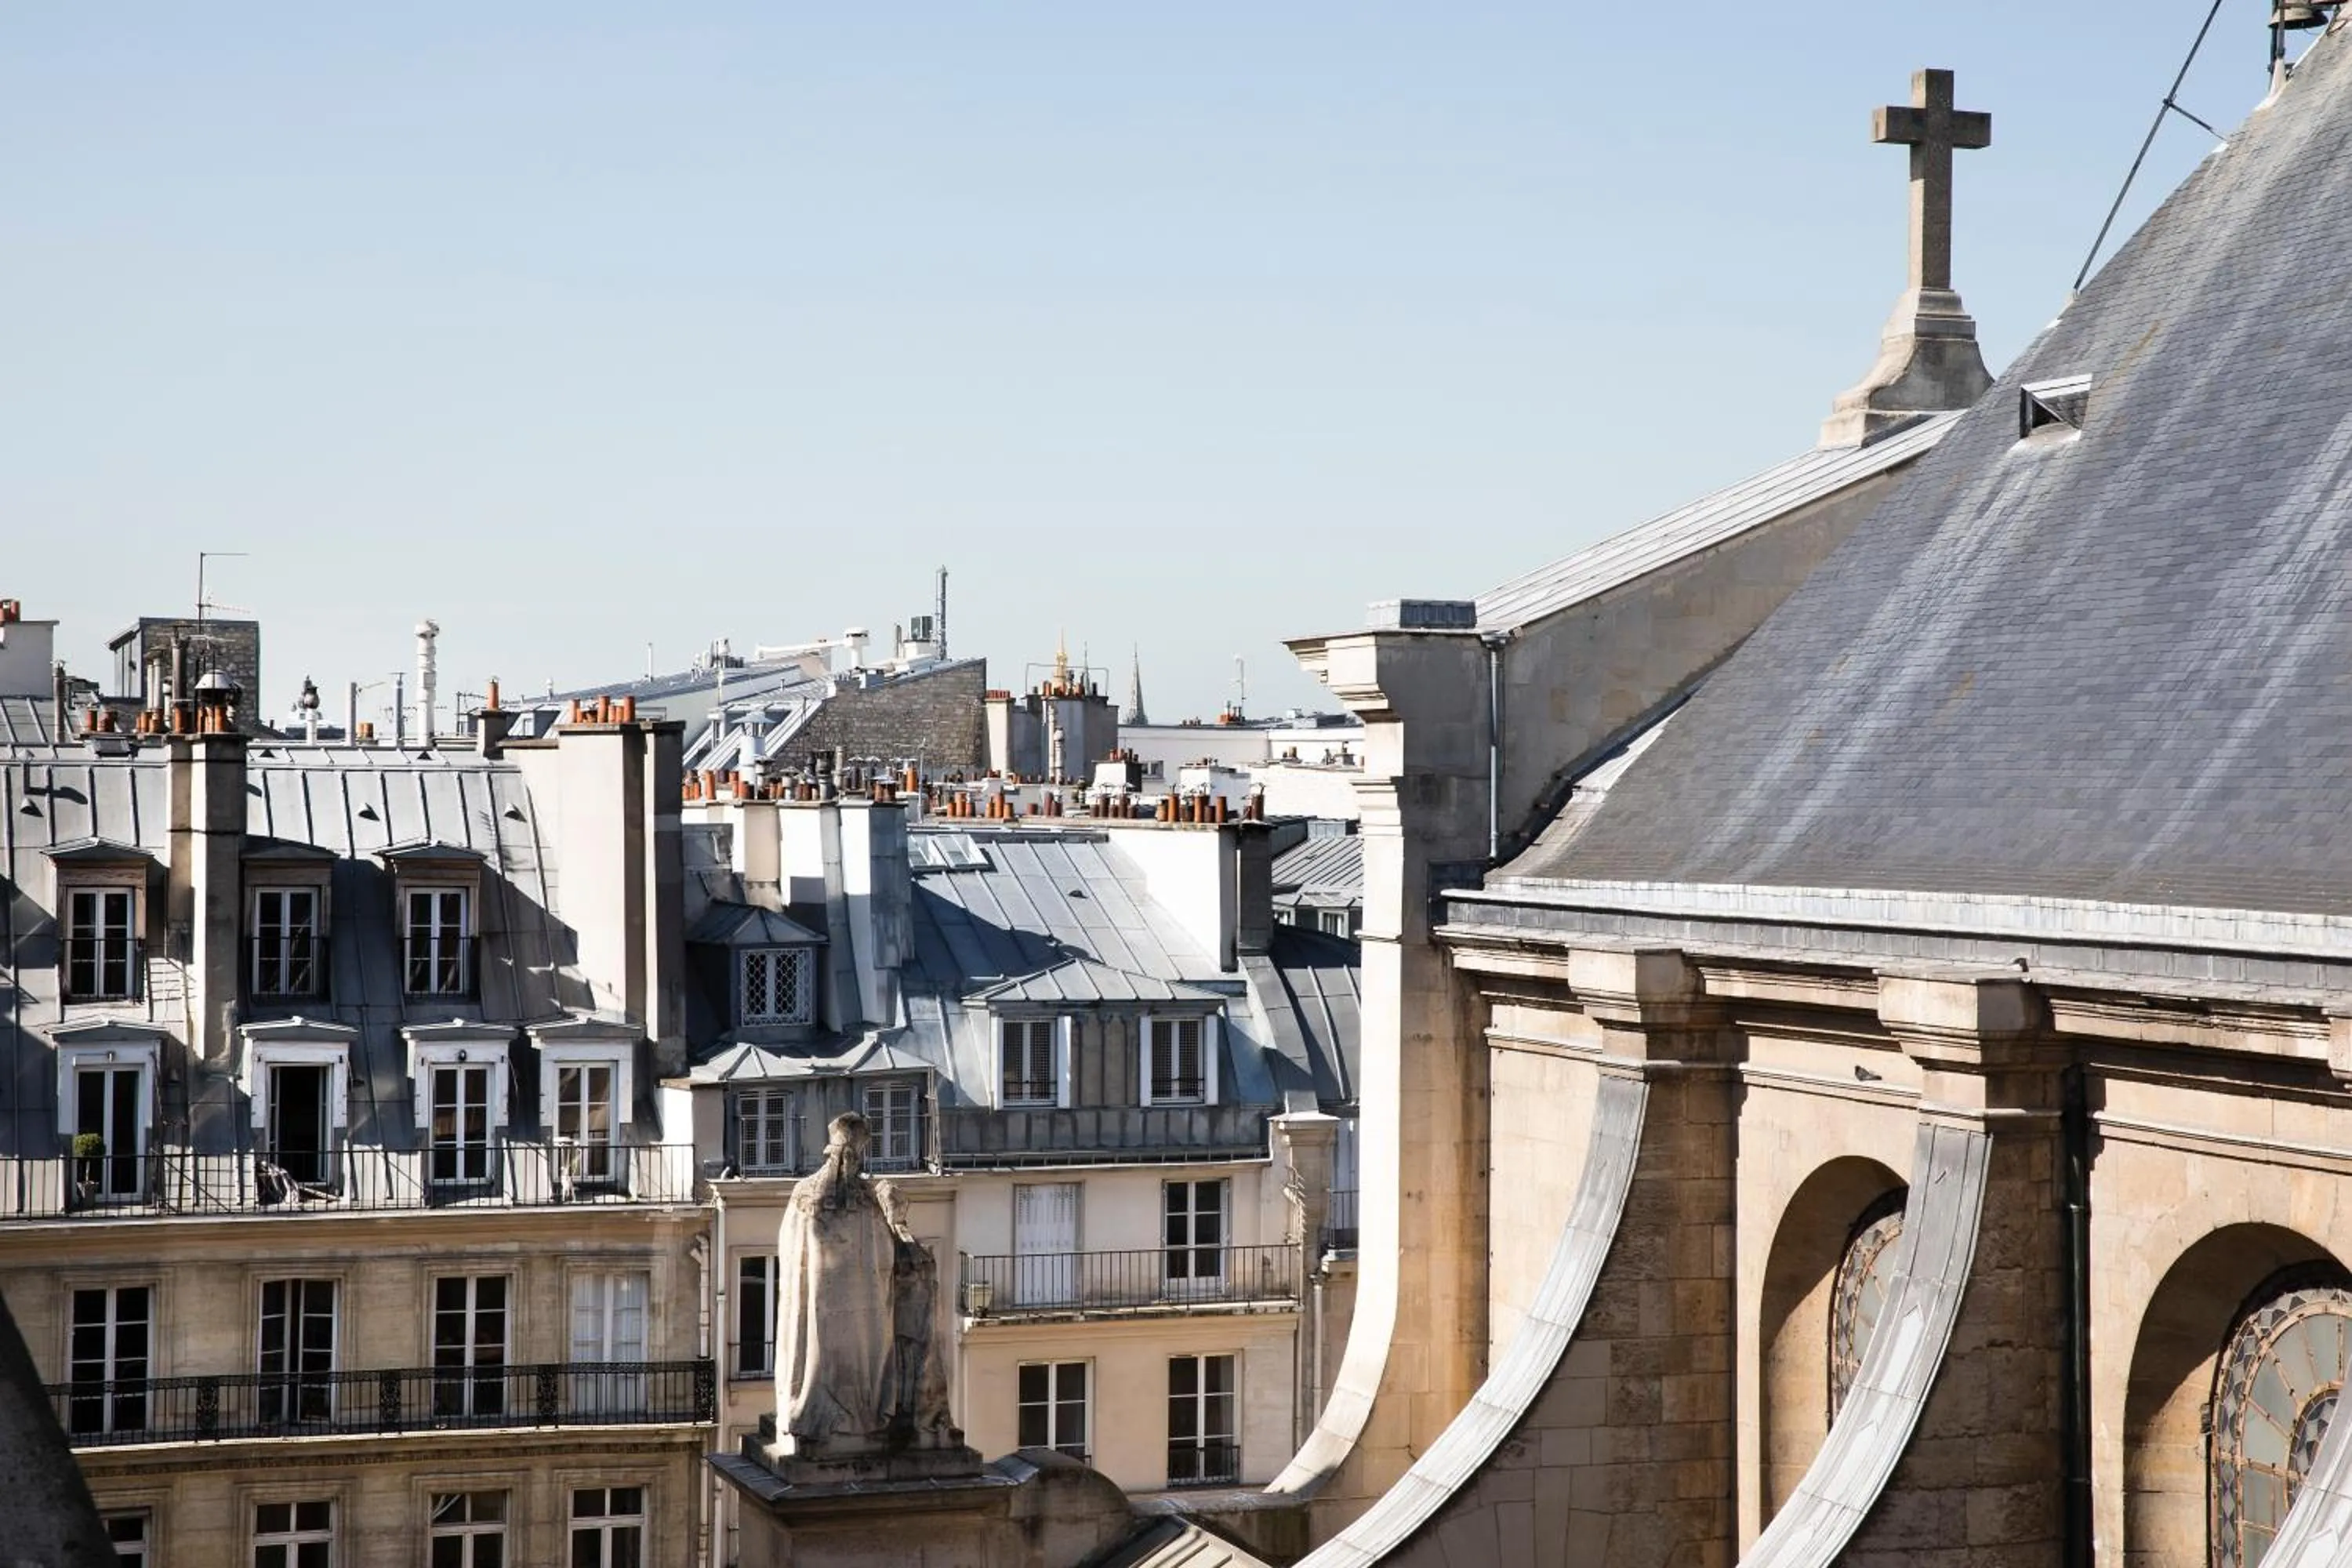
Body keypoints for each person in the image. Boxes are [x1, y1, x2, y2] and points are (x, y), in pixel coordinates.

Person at [774, 1112, 898, 1447]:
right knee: (858, 1353)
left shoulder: (805, 1192)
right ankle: (855, 1417)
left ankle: (815, 1409)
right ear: (861, 1148)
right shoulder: (867, 1197)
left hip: (819, 1298)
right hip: (861, 1303)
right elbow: (887, 1254)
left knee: (818, 1349)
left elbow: (788, 1251)